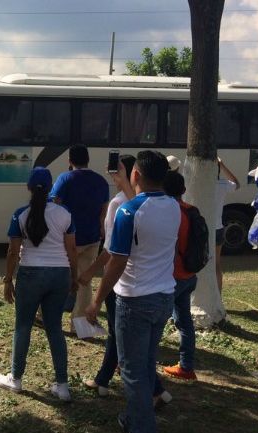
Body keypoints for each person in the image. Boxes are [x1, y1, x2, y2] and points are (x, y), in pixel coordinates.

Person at [85, 150, 180, 433]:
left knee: (132, 371)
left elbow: (117, 260)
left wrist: (96, 301)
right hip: (164, 296)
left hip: (135, 300)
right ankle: (133, 416)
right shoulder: (174, 206)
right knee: (147, 361)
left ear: (135, 174)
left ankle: (141, 425)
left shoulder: (129, 211)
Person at [0, 167, 78, 402]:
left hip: (30, 274)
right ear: (51, 187)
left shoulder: (20, 214)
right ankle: (62, 385)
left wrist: (8, 279)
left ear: (28, 188)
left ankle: (16, 378)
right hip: (59, 274)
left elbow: (12, 251)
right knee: (54, 329)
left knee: (23, 326)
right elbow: (71, 249)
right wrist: (74, 276)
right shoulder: (64, 213)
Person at [49, 144, 108, 334]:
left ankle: (46, 315)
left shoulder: (65, 178)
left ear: (69, 161)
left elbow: (54, 204)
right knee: (85, 280)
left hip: (68, 240)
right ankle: (80, 326)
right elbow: (103, 211)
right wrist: (101, 229)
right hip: (92, 238)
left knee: (59, 277)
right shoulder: (101, 181)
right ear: (88, 159)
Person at [162, 171, 198, 381]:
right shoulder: (191, 211)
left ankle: (140, 363)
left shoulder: (170, 214)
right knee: (185, 323)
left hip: (170, 277)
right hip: (189, 275)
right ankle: (186, 366)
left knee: (155, 323)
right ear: (183, 191)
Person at [215, 157, 240, 292]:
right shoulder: (223, 184)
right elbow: (237, 183)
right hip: (217, 227)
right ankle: (218, 296)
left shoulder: (200, 183)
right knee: (217, 265)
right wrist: (222, 165)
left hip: (202, 229)